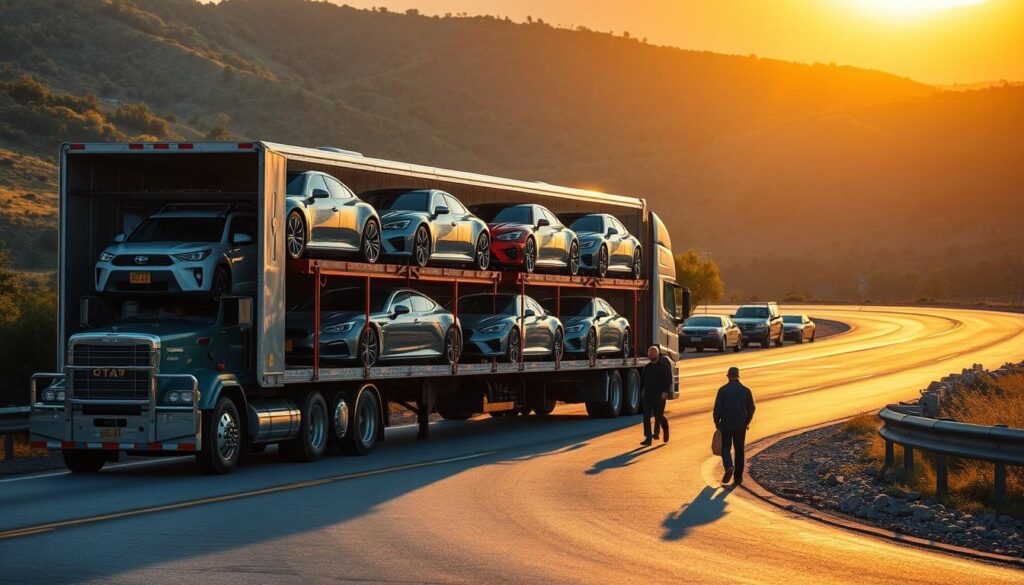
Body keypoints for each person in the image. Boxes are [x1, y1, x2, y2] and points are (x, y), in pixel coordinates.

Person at [713, 366, 755, 485]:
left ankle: (728, 467)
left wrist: (717, 422)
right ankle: (738, 478)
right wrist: (746, 421)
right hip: (740, 425)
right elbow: (751, 408)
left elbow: (717, 409)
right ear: (738, 376)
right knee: (739, 450)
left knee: (725, 447)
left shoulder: (723, 390)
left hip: (726, 424)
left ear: (728, 376)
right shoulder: (746, 390)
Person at [640, 345, 671, 446]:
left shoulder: (664, 367)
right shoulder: (646, 368)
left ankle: (665, 427)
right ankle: (648, 438)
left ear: (657, 354)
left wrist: (665, 391)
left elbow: (668, 380)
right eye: (650, 353)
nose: (651, 354)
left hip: (659, 396)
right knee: (646, 416)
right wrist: (642, 392)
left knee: (658, 415)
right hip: (648, 396)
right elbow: (643, 382)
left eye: (653, 353)